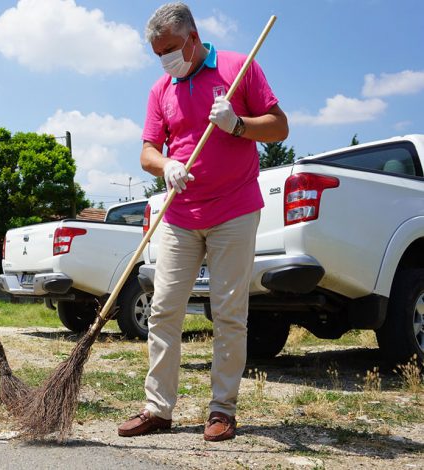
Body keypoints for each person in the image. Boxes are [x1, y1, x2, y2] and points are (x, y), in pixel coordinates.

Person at [117, 2, 288, 442]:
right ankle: (158, 409)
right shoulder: (161, 89)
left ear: (193, 37)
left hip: (234, 209)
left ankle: (222, 410)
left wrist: (237, 125)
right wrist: (166, 165)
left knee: (230, 312)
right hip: (179, 213)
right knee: (164, 309)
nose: (165, 60)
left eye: (170, 49)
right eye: (157, 54)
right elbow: (147, 151)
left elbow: (278, 127)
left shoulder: (238, 66)